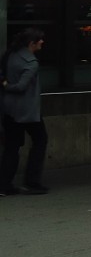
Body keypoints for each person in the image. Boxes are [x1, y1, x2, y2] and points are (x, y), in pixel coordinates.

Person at [2, 28, 49, 195]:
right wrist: (8, 86)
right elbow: (22, 86)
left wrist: (5, 84)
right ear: (32, 43)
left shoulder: (12, 54)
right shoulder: (31, 63)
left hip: (9, 109)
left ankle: (5, 184)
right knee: (41, 140)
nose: (42, 42)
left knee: (12, 146)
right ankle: (32, 181)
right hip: (28, 111)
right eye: (40, 40)